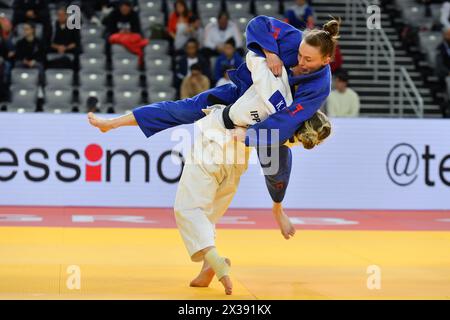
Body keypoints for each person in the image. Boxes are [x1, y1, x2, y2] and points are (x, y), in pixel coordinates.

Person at [88, 15, 339, 293]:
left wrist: (252, 134)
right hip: (240, 131)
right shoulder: (286, 59)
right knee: (209, 205)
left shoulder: (309, 88)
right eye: (300, 56)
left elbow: (279, 130)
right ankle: (208, 264)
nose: (300, 63)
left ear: (326, 61)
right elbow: (258, 26)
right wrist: (270, 52)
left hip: (225, 131)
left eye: (308, 61)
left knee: (189, 207)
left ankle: (216, 263)